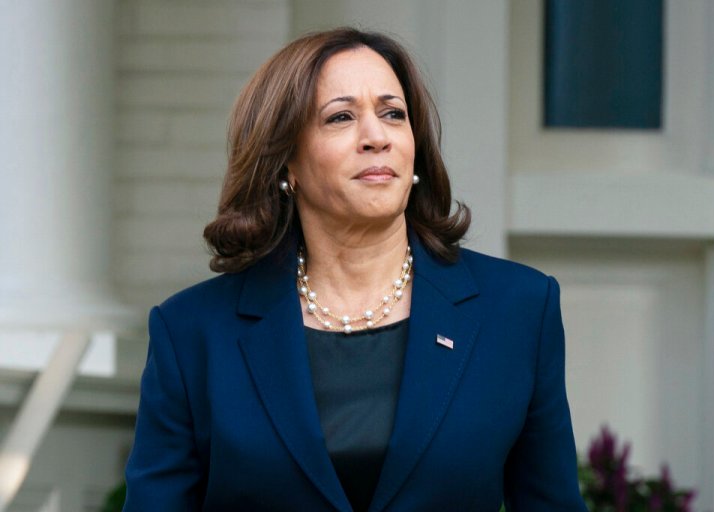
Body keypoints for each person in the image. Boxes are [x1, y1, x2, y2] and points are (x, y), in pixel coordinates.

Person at [123, 27, 586, 512]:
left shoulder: (517, 309)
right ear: (286, 162)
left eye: (393, 114)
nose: (376, 137)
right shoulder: (192, 332)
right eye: (341, 117)